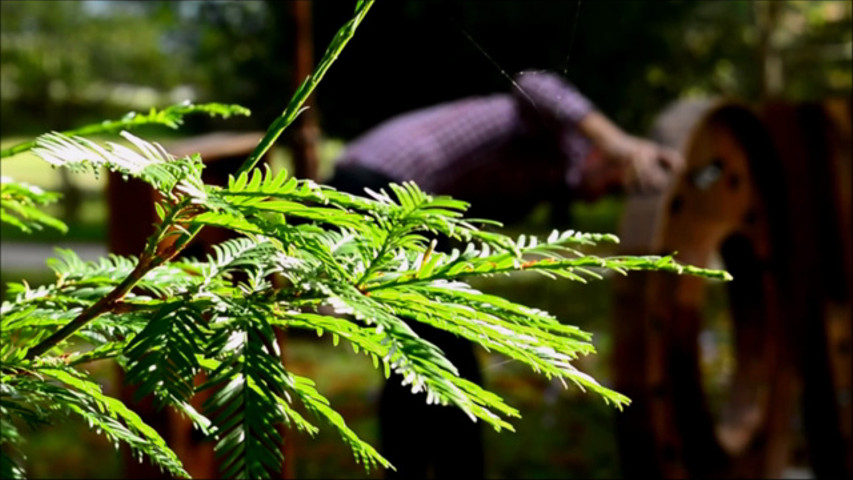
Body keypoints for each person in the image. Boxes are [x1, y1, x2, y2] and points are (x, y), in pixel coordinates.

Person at [325, 70, 682, 479]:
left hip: (387, 199)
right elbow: (534, 83)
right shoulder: (556, 136)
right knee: (445, 363)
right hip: (377, 189)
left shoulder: (546, 175)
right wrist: (616, 140)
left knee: (423, 358)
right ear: (601, 155)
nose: (608, 194)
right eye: (618, 180)